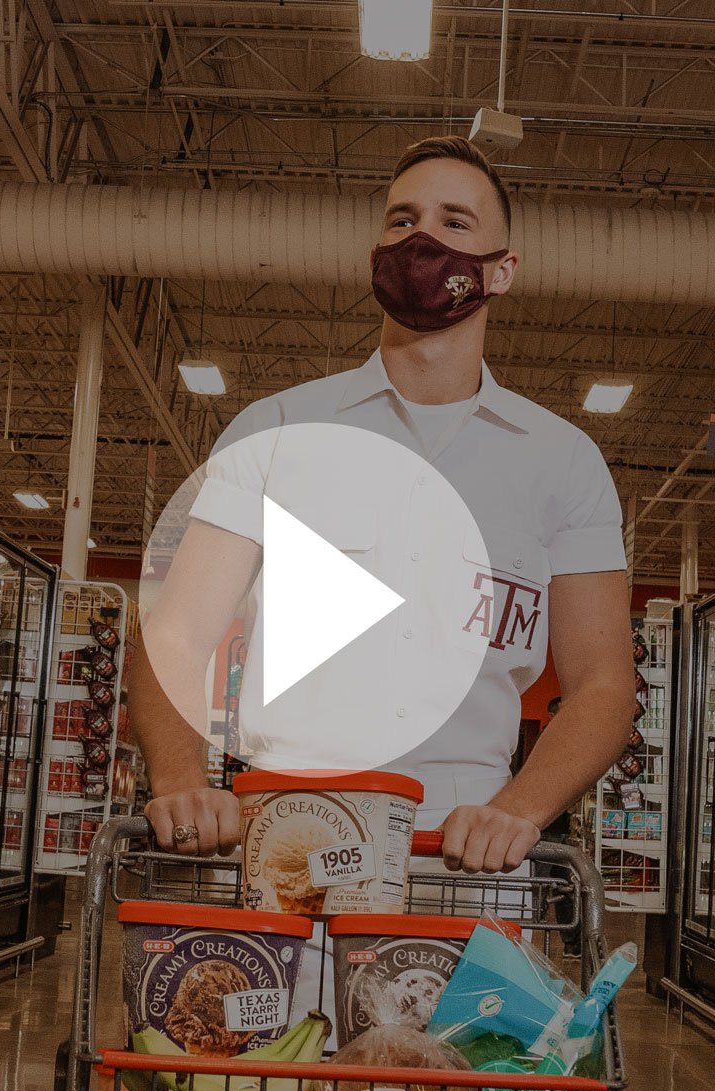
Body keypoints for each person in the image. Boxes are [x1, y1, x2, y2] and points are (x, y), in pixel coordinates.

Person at [131, 135, 634, 874]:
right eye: (401, 221)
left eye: (454, 223)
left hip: (466, 854)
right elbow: (173, 634)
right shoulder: (275, 431)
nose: (420, 238)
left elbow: (603, 685)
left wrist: (520, 810)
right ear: (375, 252)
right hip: (288, 833)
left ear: (503, 270)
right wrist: (179, 780)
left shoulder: (562, 462)